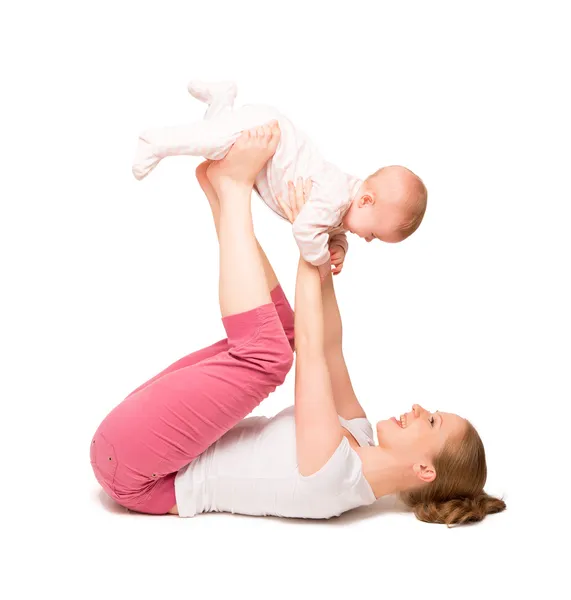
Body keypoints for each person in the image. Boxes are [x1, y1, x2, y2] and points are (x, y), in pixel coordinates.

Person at [92, 124, 505, 526]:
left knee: (269, 357)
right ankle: (220, 191)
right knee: (284, 334)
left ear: (424, 470)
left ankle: (235, 188)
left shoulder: (334, 478)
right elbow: (327, 345)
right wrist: (324, 262)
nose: (419, 409)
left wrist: (312, 235)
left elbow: (310, 353)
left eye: (431, 421)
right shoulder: (357, 434)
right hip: (145, 445)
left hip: (137, 472)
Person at [132, 81, 427, 280]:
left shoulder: (342, 204)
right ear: (366, 201)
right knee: (214, 143)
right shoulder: (337, 196)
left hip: (268, 141)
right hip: (269, 135)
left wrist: (339, 245)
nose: (367, 240)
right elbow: (306, 230)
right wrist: (322, 260)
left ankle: (221, 101)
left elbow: (330, 227)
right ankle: (157, 142)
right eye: (373, 234)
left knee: (220, 142)